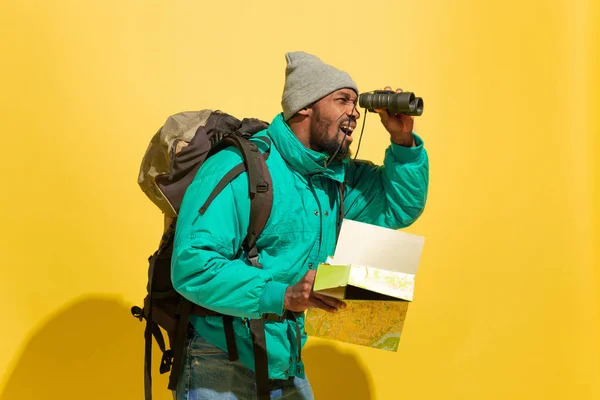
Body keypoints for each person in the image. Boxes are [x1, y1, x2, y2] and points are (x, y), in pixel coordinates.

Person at [171, 51, 429, 399]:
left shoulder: (333, 180)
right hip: (220, 358)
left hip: (284, 354)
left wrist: (403, 142)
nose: (354, 112)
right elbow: (192, 266)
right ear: (305, 106)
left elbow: (399, 207)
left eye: (356, 103)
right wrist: (286, 294)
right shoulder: (240, 167)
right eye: (343, 100)